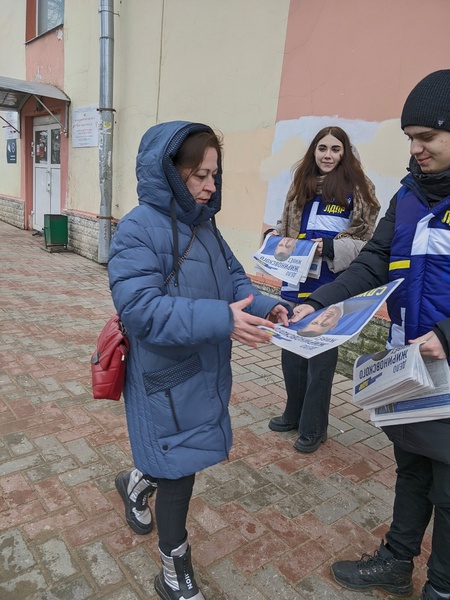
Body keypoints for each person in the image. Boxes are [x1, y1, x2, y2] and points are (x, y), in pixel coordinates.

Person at [107, 121, 290, 600]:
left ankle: (134, 481)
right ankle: (174, 571)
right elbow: (141, 310)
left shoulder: (203, 224)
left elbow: (232, 275)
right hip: (163, 379)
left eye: (214, 174)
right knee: (179, 472)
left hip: (202, 372)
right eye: (199, 175)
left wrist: (264, 304)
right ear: (170, 173)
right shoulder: (136, 229)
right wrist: (222, 320)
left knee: (175, 457)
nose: (211, 186)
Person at [291, 70, 450, 600]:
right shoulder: (408, 196)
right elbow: (376, 261)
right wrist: (320, 301)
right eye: (410, 138)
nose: (415, 148)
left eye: (426, 137)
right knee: (411, 466)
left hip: (447, 362)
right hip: (408, 359)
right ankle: (397, 562)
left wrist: (447, 336)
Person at [268, 126, 380, 453]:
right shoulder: (299, 186)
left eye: (335, 149)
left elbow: (366, 243)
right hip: (294, 283)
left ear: (344, 153)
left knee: (319, 361)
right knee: (291, 354)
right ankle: (292, 413)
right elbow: (285, 228)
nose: (327, 155)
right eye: (322, 149)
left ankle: (314, 428)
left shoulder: (357, 189)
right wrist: (272, 241)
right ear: (313, 152)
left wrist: (329, 248)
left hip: (329, 287)